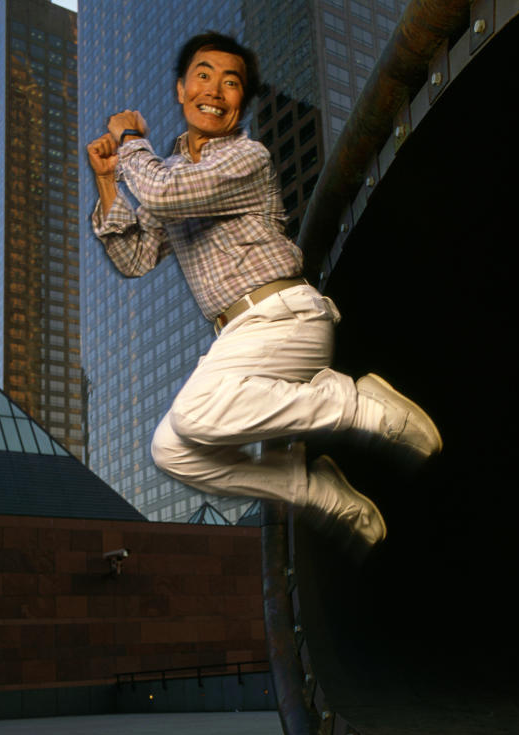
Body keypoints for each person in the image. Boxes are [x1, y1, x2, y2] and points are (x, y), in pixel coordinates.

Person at [87, 31, 441, 548]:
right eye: (203, 76)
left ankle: (361, 406)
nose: (215, 89)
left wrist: (128, 140)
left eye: (231, 83)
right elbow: (135, 257)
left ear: (240, 101)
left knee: (191, 413)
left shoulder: (243, 158)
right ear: (181, 90)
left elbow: (161, 193)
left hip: (284, 316)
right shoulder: (177, 171)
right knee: (170, 448)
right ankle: (314, 490)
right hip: (241, 337)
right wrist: (107, 183)